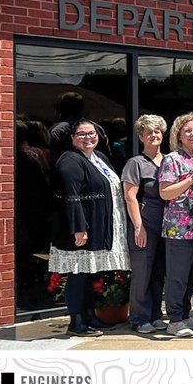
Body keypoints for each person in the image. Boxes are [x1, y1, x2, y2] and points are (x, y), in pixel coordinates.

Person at [52, 118, 130, 336]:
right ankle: (76, 321)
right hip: (82, 228)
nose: (88, 138)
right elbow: (72, 196)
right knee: (78, 274)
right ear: (72, 138)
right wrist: (79, 228)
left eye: (91, 133)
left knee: (92, 273)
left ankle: (89, 316)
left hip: (99, 226)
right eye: (82, 134)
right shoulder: (70, 160)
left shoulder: (99, 157)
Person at [158, 112, 193, 338]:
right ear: (179, 134)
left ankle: (186, 315)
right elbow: (165, 192)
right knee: (177, 276)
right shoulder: (172, 159)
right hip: (178, 228)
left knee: (192, 275)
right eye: (187, 130)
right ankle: (175, 319)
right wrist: (191, 179)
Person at [121, 114, 168, 334]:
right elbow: (130, 196)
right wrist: (138, 227)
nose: (153, 135)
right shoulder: (135, 163)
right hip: (145, 225)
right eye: (148, 132)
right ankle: (139, 318)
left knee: (159, 273)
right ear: (141, 137)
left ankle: (156, 314)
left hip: (166, 226)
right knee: (142, 273)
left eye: (157, 131)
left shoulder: (169, 161)